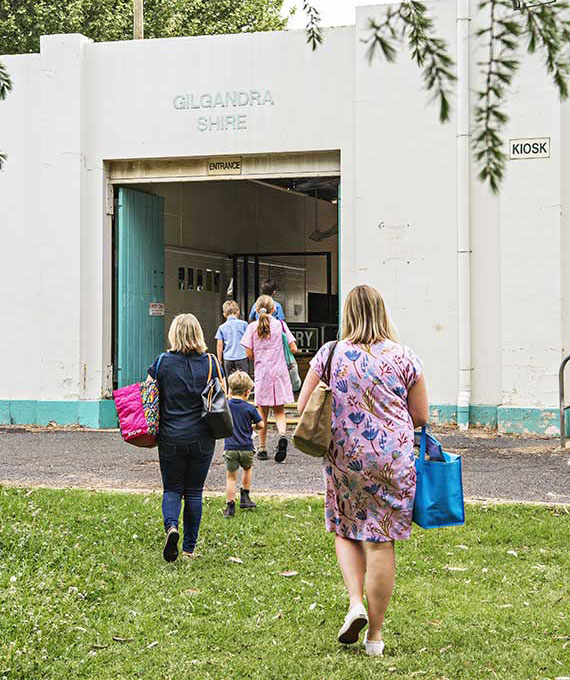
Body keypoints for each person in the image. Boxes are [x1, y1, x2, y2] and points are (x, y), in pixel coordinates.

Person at [297, 285, 428, 656]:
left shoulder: (330, 353)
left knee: (345, 528)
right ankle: (376, 638)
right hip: (392, 460)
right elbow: (420, 416)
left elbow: (304, 405)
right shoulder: (405, 357)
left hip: (344, 457)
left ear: (348, 314)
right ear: (383, 312)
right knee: (380, 540)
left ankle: (355, 602)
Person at [148, 313, 218, 563]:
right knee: (195, 493)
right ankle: (189, 549)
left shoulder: (161, 363)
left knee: (172, 488)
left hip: (170, 436)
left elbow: (148, 396)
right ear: (198, 334)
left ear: (173, 334)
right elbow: (223, 397)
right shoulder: (211, 362)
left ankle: (171, 528)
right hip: (203, 436)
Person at [241, 295, 298, 463]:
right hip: (279, 372)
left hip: (262, 373)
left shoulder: (252, 327)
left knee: (262, 413)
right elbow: (293, 347)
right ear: (274, 309)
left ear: (257, 310)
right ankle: (282, 436)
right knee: (279, 410)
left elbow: (249, 354)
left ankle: (262, 448)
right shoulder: (280, 324)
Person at [222, 371, 265, 518]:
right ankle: (245, 496)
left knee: (231, 477)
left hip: (230, 447)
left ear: (230, 390)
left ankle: (230, 506)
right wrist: (252, 427)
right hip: (246, 447)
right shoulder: (250, 408)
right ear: (247, 392)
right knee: (247, 469)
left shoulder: (226, 406)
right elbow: (261, 424)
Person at [215, 300, 249, 378]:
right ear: (238, 311)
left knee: (230, 382)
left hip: (228, 358)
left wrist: (219, 360)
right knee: (244, 381)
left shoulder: (222, 327)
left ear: (224, 314)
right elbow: (248, 341)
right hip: (242, 356)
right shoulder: (244, 324)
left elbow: (219, 346)